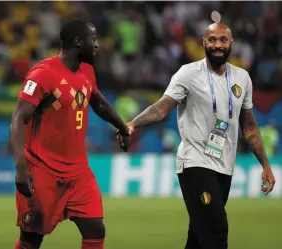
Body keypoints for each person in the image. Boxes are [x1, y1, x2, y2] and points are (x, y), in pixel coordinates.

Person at [117, 21, 276, 249]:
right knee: (216, 233)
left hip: (225, 167)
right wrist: (132, 124)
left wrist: (266, 166)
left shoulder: (242, 78)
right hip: (195, 163)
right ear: (203, 43)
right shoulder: (188, 73)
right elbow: (162, 108)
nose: (218, 45)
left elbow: (249, 127)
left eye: (223, 40)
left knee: (199, 238)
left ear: (231, 43)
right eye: (212, 40)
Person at [10, 19, 129, 249]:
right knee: (31, 239)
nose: (97, 45)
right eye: (93, 39)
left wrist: (122, 127)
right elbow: (18, 118)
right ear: (77, 41)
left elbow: (99, 103)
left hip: (78, 173)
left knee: (95, 229)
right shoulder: (42, 74)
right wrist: (21, 167)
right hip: (42, 170)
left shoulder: (86, 71)